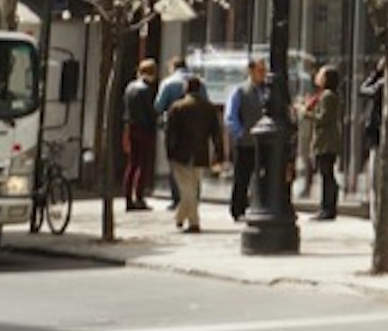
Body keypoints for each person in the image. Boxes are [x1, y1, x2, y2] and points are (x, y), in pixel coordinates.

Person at [162, 71, 219, 232]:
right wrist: (219, 153)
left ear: (186, 89)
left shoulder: (177, 107)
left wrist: (169, 152)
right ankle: (181, 217)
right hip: (200, 153)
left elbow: (170, 133)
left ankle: (194, 222)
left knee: (187, 190)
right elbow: (216, 133)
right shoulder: (209, 108)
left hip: (180, 154)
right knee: (192, 187)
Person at [225, 56, 275, 221]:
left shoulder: (267, 91)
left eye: (264, 70)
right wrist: (240, 133)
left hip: (264, 143)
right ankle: (237, 209)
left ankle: (258, 205)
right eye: (260, 70)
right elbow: (230, 117)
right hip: (246, 142)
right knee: (242, 177)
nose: (263, 74)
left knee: (262, 177)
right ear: (251, 71)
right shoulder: (240, 90)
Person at [300, 64, 344, 222]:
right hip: (326, 141)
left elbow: (323, 118)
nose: (317, 76)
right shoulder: (325, 96)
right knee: (326, 174)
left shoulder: (327, 96)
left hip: (326, 142)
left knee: (327, 175)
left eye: (321, 74)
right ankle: (327, 207)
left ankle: (327, 207)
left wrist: (306, 113)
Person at [117, 56, 161, 210]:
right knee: (142, 164)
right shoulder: (146, 89)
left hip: (130, 126)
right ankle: (139, 197)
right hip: (144, 129)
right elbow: (151, 112)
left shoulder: (130, 87)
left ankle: (128, 198)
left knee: (132, 164)